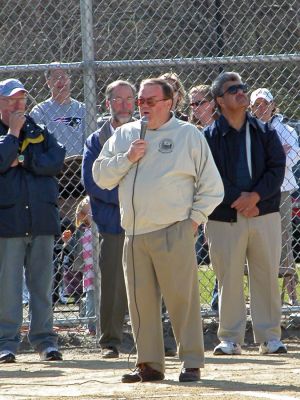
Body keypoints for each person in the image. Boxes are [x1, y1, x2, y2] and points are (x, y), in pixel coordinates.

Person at [92, 78, 224, 383]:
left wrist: (194, 220)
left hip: (173, 230)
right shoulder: (125, 135)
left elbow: (212, 186)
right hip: (135, 234)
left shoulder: (188, 134)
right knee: (140, 303)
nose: (144, 107)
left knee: (182, 300)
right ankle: (149, 364)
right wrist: (127, 158)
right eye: (141, 101)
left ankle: (191, 361)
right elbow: (100, 176)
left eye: (151, 101)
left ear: (169, 102)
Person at [203, 72, 287, 356]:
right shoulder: (209, 136)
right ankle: (230, 339)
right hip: (224, 218)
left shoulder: (265, 131)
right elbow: (206, 175)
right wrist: (237, 199)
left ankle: (270, 338)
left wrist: (255, 197)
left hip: (263, 214)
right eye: (233, 89)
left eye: (243, 88)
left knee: (265, 275)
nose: (241, 92)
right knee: (228, 278)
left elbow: (277, 168)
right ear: (219, 100)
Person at [0, 78, 66, 363]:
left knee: (42, 286)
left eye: (21, 100)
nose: (18, 105)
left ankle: (45, 342)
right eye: (11, 100)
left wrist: (24, 160)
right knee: (8, 288)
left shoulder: (39, 130)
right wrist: (12, 135)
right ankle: (6, 343)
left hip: (41, 220)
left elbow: (56, 159)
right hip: (9, 222)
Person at [82, 80, 136, 358]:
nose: (125, 105)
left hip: (144, 220)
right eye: (118, 99)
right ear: (108, 103)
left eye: (130, 99)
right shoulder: (98, 139)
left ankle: (153, 338)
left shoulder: (145, 134)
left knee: (149, 281)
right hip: (114, 223)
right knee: (113, 285)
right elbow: (93, 182)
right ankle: (111, 342)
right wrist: (127, 196)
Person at [250, 88, 299, 306]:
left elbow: (293, 157)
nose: (261, 108)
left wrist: (268, 160)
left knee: (283, 241)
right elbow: (250, 162)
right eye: (256, 105)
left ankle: (292, 297)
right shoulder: (248, 130)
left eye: (265, 103)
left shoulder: (286, 129)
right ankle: (260, 296)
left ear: (272, 105)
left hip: (281, 191)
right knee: (255, 241)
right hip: (257, 193)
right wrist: (277, 154)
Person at [30, 63, 86, 156]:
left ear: (69, 80)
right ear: (48, 83)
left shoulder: (83, 109)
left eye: (64, 77)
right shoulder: (39, 111)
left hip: (81, 165)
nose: (61, 81)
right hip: (52, 167)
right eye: (56, 77)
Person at [62, 196, 96, 334]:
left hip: (103, 268)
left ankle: (105, 323)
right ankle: (92, 326)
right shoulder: (81, 232)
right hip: (89, 271)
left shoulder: (102, 229)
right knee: (91, 298)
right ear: (83, 215)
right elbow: (76, 251)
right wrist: (68, 241)